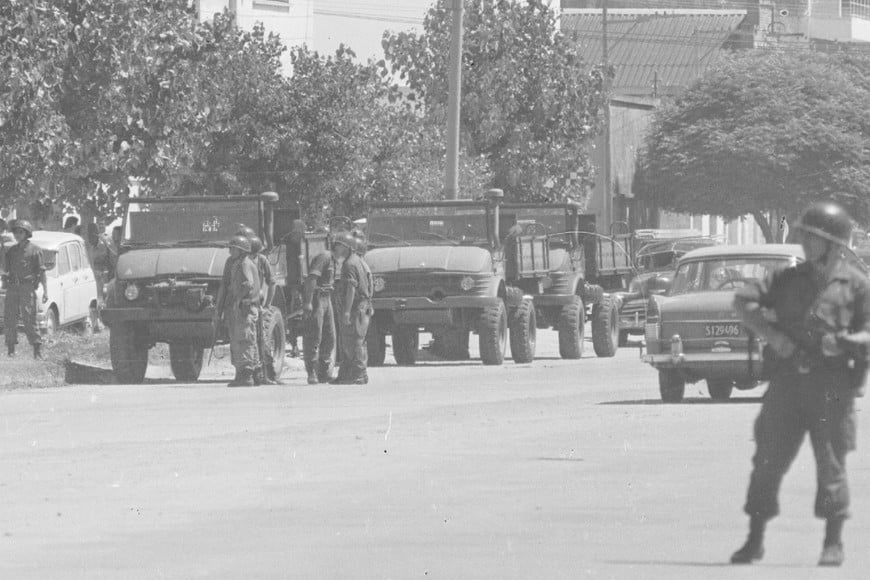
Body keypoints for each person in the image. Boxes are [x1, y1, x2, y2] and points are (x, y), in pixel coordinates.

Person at [730, 201, 870, 567]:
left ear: (834, 244)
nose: (805, 242)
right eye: (804, 235)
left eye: (813, 237)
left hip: (832, 387)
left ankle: (833, 542)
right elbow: (743, 301)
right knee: (767, 460)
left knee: (831, 465)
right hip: (788, 384)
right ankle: (754, 539)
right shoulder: (787, 279)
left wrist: (843, 342)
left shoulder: (857, 285)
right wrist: (776, 339)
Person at [213, 235, 260, 387]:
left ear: (242, 251)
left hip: (244, 307)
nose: (230, 251)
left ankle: (246, 374)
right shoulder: (235, 263)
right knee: (242, 338)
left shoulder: (245, 264)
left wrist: (238, 298)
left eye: (234, 249)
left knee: (244, 338)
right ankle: (251, 372)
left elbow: (248, 284)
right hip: (239, 307)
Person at [236, 225, 279, 385]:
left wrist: (267, 304)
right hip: (246, 305)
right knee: (249, 340)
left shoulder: (260, 260)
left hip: (256, 303)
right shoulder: (237, 260)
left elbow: (271, 281)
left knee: (263, 341)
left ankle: (268, 374)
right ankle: (253, 372)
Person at [330, 231, 373, 385]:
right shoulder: (359, 261)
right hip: (362, 306)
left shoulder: (349, 264)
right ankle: (347, 374)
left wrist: (347, 311)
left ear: (347, 247)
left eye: (339, 245)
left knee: (354, 341)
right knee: (351, 341)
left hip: (355, 307)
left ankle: (359, 374)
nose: (335, 248)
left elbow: (351, 289)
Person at [2, 220, 48, 358]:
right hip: (12, 287)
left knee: (29, 317)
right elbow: (5, 269)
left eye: (20, 232)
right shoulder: (11, 251)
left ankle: (37, 350)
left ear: (27, 233)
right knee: (10, 318)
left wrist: (45, 290)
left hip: (27, 287)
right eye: (15, 232)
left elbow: (42, 272)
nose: (17, 234)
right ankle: (11, 350)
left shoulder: (35, 250)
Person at [301, 241, 336, 384]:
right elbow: (312, 279)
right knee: (314, 336)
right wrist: (308, 302)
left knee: (330, 336)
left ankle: (323, 372)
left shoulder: (333, 260)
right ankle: (312, 372)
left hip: (327, 298)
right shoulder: (324, 257)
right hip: (317, 298)